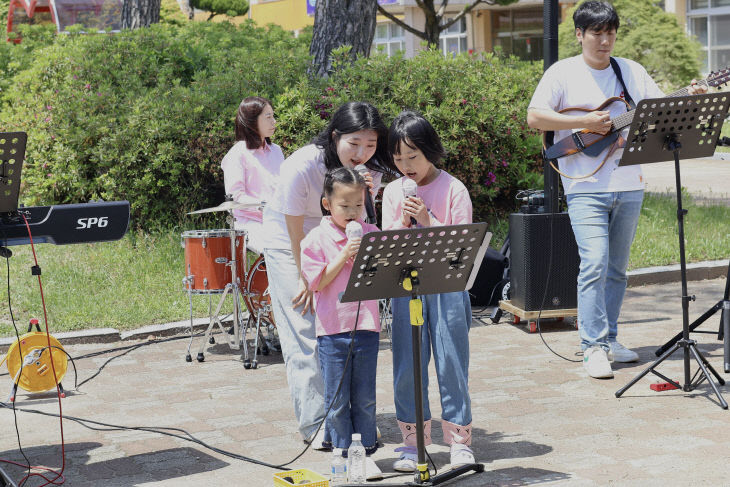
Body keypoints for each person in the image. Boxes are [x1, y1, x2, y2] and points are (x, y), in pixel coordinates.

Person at [526, 1, 707, 379]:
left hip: (629, 184)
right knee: (593, 263)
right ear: (579, 34)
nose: (605, 40)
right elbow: (535, 116)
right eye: (597, 33)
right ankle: (591, 346)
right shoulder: (563, 73)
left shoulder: (631, 71)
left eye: (610, 32)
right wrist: (583, 121)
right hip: (585, 185)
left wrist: (689, 97)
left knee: (617, 270)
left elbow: (656, 114)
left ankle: (609, 338)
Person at [261, 101, 396, 448]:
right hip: (290, 239)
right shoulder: (304, 164)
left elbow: (364, 223)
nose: (362, 152)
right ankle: (315, 423)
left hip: (339, 237)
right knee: (304, 327)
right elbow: (294, 228)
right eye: (354, 143)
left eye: (370, 144)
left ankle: (346, 417)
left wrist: (368, 193)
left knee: (339, 321)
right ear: (335, 136)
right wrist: (307, 278)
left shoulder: (371, 169)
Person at [381, 111, 476, 471]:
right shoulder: (392, 191)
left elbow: (461, 248)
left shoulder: (454, 189)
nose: (405, 165)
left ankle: (459, 442)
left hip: (448, 290)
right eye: (398, 158)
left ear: (431, 152)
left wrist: (427, 220)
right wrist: (401, 223)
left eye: (413, 157)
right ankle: (412, 442)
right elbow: (387, 243)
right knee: (407, 364)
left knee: (452, 362)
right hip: (407, 288)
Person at [300, 167, 382, 478]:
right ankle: (344, 451)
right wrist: (345, 253)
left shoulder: (371, 234)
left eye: (358, 206)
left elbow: (380, 278)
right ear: (326, 204)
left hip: (367, 327)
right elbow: (318, 282)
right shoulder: (315, 240)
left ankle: (367, 451)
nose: (352, 213)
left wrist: (364, 254)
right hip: (333, 332)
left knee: (364, 397)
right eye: (344, 206)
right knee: (337, 399)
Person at [221, 96, 284, 253]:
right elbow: (235, 197)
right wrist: (265, 206)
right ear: (251, 121)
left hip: (278, 219)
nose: (274, 121)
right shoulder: (237, 153)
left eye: (273, 116)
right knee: (276, 249)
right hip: (250, 222)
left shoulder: (276, 151)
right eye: (268, 117)